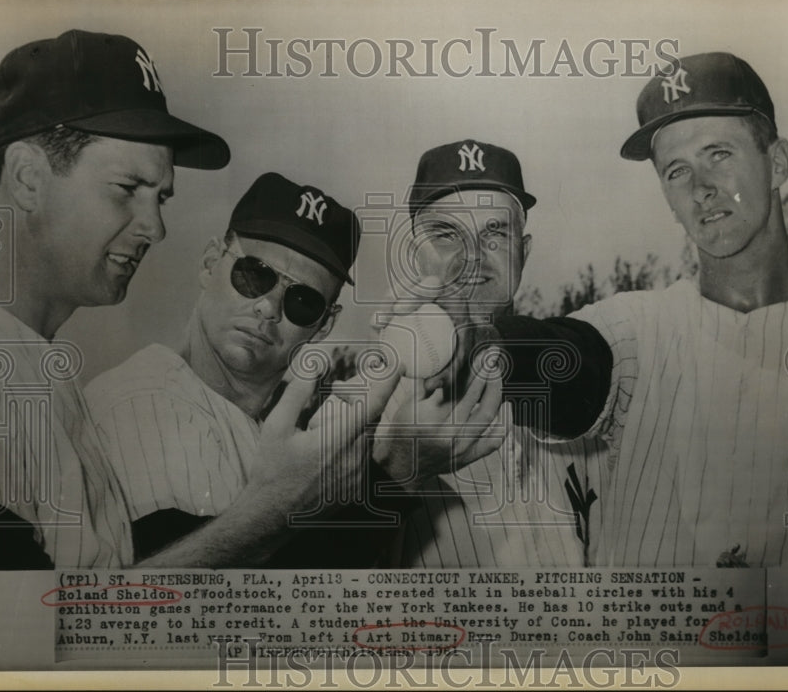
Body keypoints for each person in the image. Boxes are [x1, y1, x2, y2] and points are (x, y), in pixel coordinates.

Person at [0, 29, 383, 570]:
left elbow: (77, 621)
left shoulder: (38, 369)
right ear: (27, 178)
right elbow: (16, 643)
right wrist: (275, 512)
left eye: (160, 198)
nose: (155, 228)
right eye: (127, 189)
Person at [430, 54, 788, 568]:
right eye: (677, 171)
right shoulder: (636, 329)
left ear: (778, 162)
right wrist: (471, 345)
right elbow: (565, 358)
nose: (700, 187)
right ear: (666, 198)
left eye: (718, 153)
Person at [86, 171, 503, 564]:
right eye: (254, 275)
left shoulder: (277, 423)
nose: (267, 307)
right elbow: (222, 610)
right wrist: (395, 474)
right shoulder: (146, 400)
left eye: (303, 300)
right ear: (211, 262)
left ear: (324, 325)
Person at [373, 140, 611, 567]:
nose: (473, 257)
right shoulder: (371, 412)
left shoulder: (576, 380)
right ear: (414, 256)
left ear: (525, 250)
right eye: (447, 235)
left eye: (495, 233)